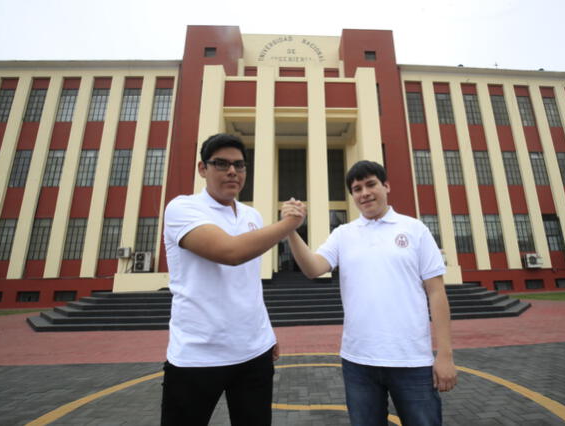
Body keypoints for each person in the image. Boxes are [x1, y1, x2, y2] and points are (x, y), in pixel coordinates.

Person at [281, 160, 457, 426]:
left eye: (371, 184)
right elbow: (313, 269)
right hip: (358, 361)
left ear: (386, 186)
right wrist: (291, 229)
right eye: (357, 188)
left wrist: (445, 355)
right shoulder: (343, 234)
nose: (364, 193)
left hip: (412, 360)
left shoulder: (414, 229)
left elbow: (436, 292)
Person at [161, 133, 304, 425]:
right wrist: (290, 223)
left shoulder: (252, 215)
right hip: (198, 356)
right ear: (203, 169)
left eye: (239, 165)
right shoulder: (183, 208)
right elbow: (230, 252)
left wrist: (267, 330)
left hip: (254, 352)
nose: (232, 172)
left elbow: (248, 283)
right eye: (221, 164)